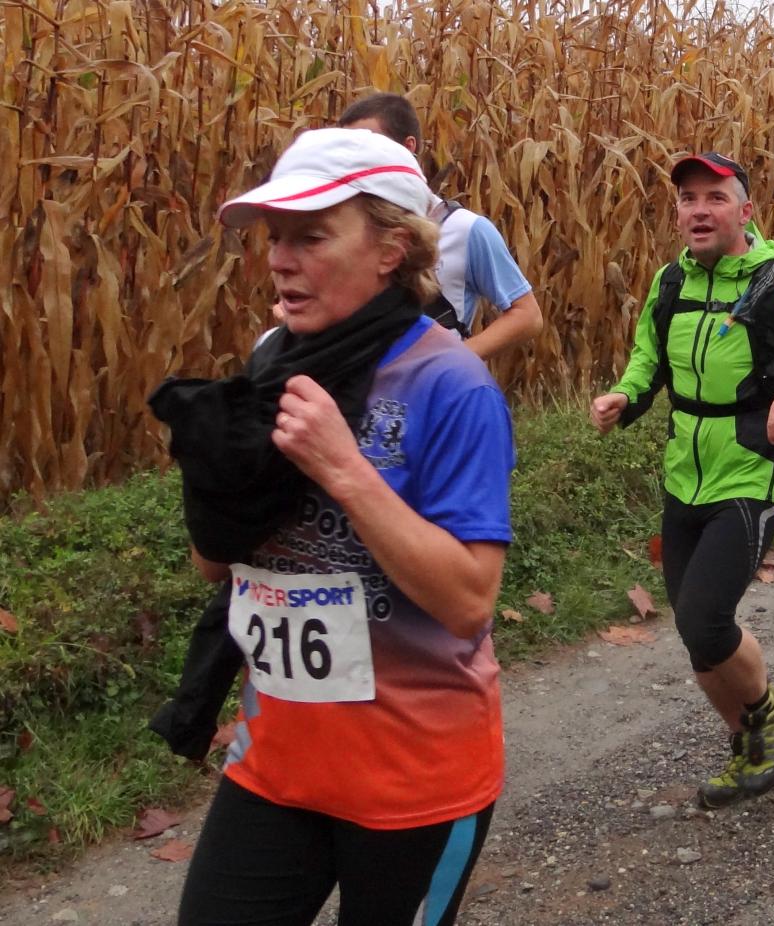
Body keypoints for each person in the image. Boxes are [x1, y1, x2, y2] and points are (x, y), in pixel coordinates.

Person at [152, 127, 515, 926]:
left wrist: (345, 470)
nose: (280, 260)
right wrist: (214, 473)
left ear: (391, 249)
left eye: (311, 237)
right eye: (274, 238)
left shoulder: (451, 382)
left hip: (416, 781)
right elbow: (215, 566)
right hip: (274, 765)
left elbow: (468, 601)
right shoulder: (273, 360)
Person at [590, 152, 774, 809]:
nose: (699, 210)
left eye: (715, 198)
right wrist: (626, 396)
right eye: (688, 199)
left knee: (706, 619)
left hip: (753, 468)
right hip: (684, 471)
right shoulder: (669, 283)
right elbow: (648, 359)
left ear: (745, 212)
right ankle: (750, 744)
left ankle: (766, 712)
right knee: (697, 637)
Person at [338, 92, 543, 360]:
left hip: (432, 384)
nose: (355, 160)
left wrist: (454, 361)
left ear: (408, 147)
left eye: (369, 147)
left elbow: (527, 315)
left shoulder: (467, 229)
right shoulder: (344, 230)